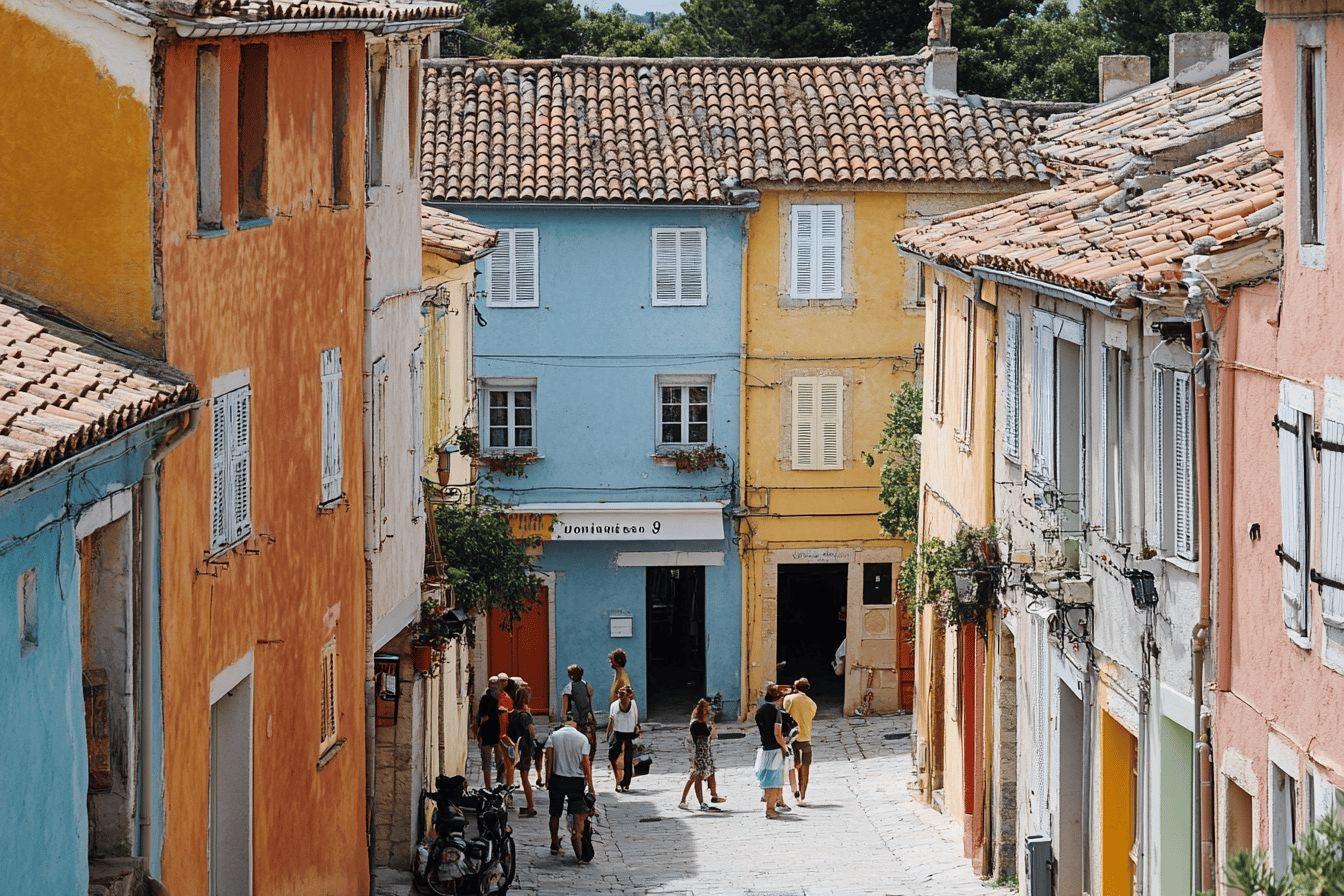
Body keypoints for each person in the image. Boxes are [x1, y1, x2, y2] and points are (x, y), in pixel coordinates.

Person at [545, 720, 597, 863]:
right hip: (576, 781)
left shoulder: (554, 736)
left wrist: (547, 779)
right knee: (577, 815)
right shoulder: (582, 738)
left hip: (557, 779)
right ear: (576, 726)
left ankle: (554, 844)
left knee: (554, 814)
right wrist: (590, 785)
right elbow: (586, 763)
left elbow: (548, 759)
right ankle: (578, 845)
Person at [679, 697, 726, 811]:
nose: (708, 713)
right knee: (696, 777)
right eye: (706, 710)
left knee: (709, 774)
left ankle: (714, 795)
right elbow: (706, 735)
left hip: (706, 753)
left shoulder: (703, 722)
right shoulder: (696, 724)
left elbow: (712, 736)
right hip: (698, 753)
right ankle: (699, 802)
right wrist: (710, 728)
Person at [754, 684, 790, 819]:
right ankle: (770, 809)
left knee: (768, 780)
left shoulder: (760, 711)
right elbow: (777, 733)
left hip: (765, 749)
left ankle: (769, 807)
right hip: (775, 749)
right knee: (775, 781)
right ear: (778, 698)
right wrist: (784, 748)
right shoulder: (777, 712)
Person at [783, 677, 818, 804]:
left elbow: (785, 713)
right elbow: (811, 716)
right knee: (806, 766)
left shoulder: (789, 699)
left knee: (794, 765)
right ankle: (803, 794)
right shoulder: (811, 703)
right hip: (805, 737)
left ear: (795, 687)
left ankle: (795, 791)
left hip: (792, 738)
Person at [510, 686, 540, 816]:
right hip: (525, 749)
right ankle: (530, 806)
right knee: (525, 778)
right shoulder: (525, 715)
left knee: (514, 776)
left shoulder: (514, 714)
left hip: (515, 748)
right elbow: (533, 733)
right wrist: (530, 715)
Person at [605, 686, 640, 792]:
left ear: (629, 696)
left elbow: (636, 721)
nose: (622, 699)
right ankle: (618, 781)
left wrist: (638, 731)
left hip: (629, 736)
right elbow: (611, 720)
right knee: (614, 759)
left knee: (627, 761)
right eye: (620, 696)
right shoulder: (614, 706)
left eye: (624, 696)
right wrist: (608, 734)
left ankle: (625, 783)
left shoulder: (633, 705)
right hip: (617, 735)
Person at [562, 664, 598, 753]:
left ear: (571, 676)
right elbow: (589, 702)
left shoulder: (568, 688)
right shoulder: (586, 685)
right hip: (586, 718)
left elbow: (565, 708)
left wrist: (564, 719)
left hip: (574, 719)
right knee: (588, 741)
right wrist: (593, 716)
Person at [475, 678, 503, 789]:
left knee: (486, 762)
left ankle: (488, 787)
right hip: (499, 733)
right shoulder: (502, 698)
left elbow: (483, 717)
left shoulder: (485, 698)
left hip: (487, 733)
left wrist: (478, 733)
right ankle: (500, 784)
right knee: (500, 761)